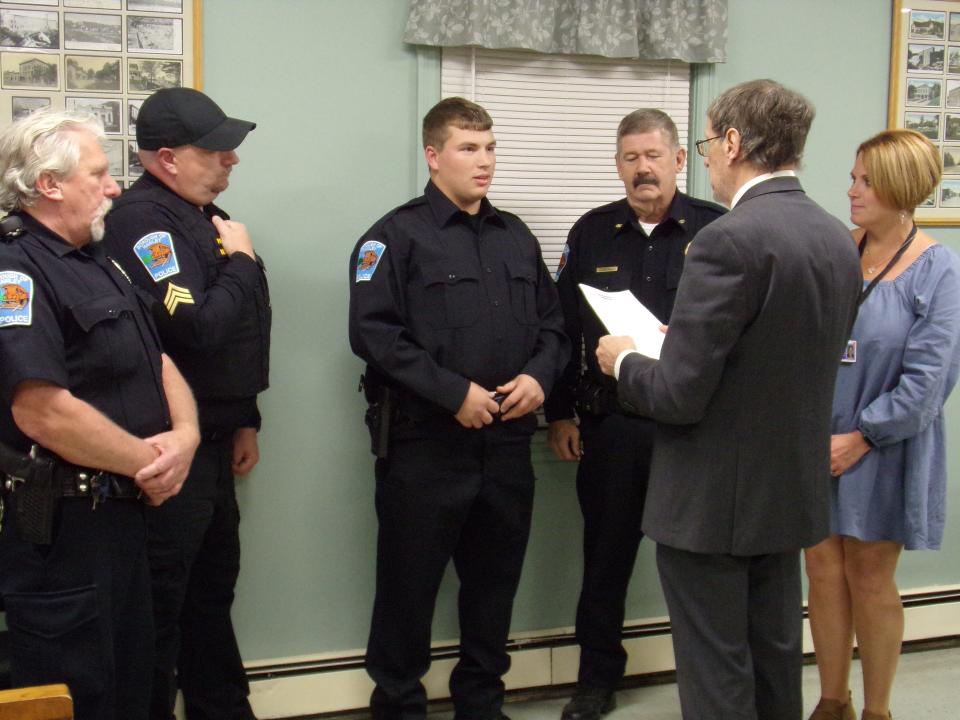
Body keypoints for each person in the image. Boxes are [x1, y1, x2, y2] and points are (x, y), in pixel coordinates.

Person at [595, 79, 862, 720]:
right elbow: (772, 355)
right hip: (786, 493)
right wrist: (682, 341)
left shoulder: (725, 240)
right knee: (774, 668)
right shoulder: (835, 237)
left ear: (735, 143)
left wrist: (625, 359)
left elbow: (680, 396)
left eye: (708, 142)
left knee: (716, 679)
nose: (708, 156)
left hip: (713, 505)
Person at [349, 96, 568, 720]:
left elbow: (553, 328)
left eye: (491, 147)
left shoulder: (515, 236)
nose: (484, 161)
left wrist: (539, 379)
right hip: (425, 446)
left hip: (506, 444)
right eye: (469, 148)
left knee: (494, 590)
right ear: (433, 154)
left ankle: (482, 704)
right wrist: (454, 393)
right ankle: (397, 705)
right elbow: (374, 334)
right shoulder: (394, 236)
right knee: (407, 590)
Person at [0, 109, 199, 720]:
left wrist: (186, 437)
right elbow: (42, 411)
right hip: (65, 528)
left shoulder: (96, 258)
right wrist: (150, 463)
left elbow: (155, 358)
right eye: (99, 173)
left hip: (127, 517)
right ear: (49, 184)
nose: (114, 187)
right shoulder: (17, 270)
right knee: (83, 694)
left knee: (139, 683)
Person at [544, 109, 724, 720]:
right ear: (618, 165)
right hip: (612, 426)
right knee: (605, 559)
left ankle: (713, 679)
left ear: (679, 159)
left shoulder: (719, 230)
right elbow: (564, 328)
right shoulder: (592, 231)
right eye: (630, 157)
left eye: (653, 155)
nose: (642, 168)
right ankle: (596, 679)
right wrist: (561, 414)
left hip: (691, 430)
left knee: (703, 565)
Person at [102, 88, 269, 720]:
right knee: (164, 601)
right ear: (167, 158)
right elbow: (195, 328)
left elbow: (238, 339)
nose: (231, 160)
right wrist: (244, 262)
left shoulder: (199, 215)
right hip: (172, 447)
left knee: (210, 591)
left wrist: (246, 417)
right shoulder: (143, 221)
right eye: (217, 150)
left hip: (218, 436)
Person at [804, 130, 960, 720]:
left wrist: (862, 436)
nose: (851, 191)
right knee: (821, 567)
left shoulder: (939, 270)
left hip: (883, 443)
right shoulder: (835, 254)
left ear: (901, 188)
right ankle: (831, 699)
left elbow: (928, 383)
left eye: (865, 181)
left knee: (869, 574)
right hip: (818, 440)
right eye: (853, 177)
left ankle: (878, 709)